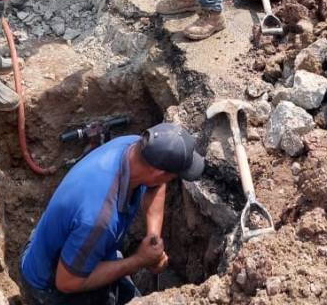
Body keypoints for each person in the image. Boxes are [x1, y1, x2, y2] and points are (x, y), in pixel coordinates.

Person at [19, 123, 205, 304]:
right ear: (158, 173)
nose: (168, 181)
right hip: (49, 285)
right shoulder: (100, 217)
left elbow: (157, 185)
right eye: (172, 177)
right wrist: (139, 260)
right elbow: (67, 282)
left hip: (58, 248)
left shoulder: (134, 147)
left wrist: (153, 237)